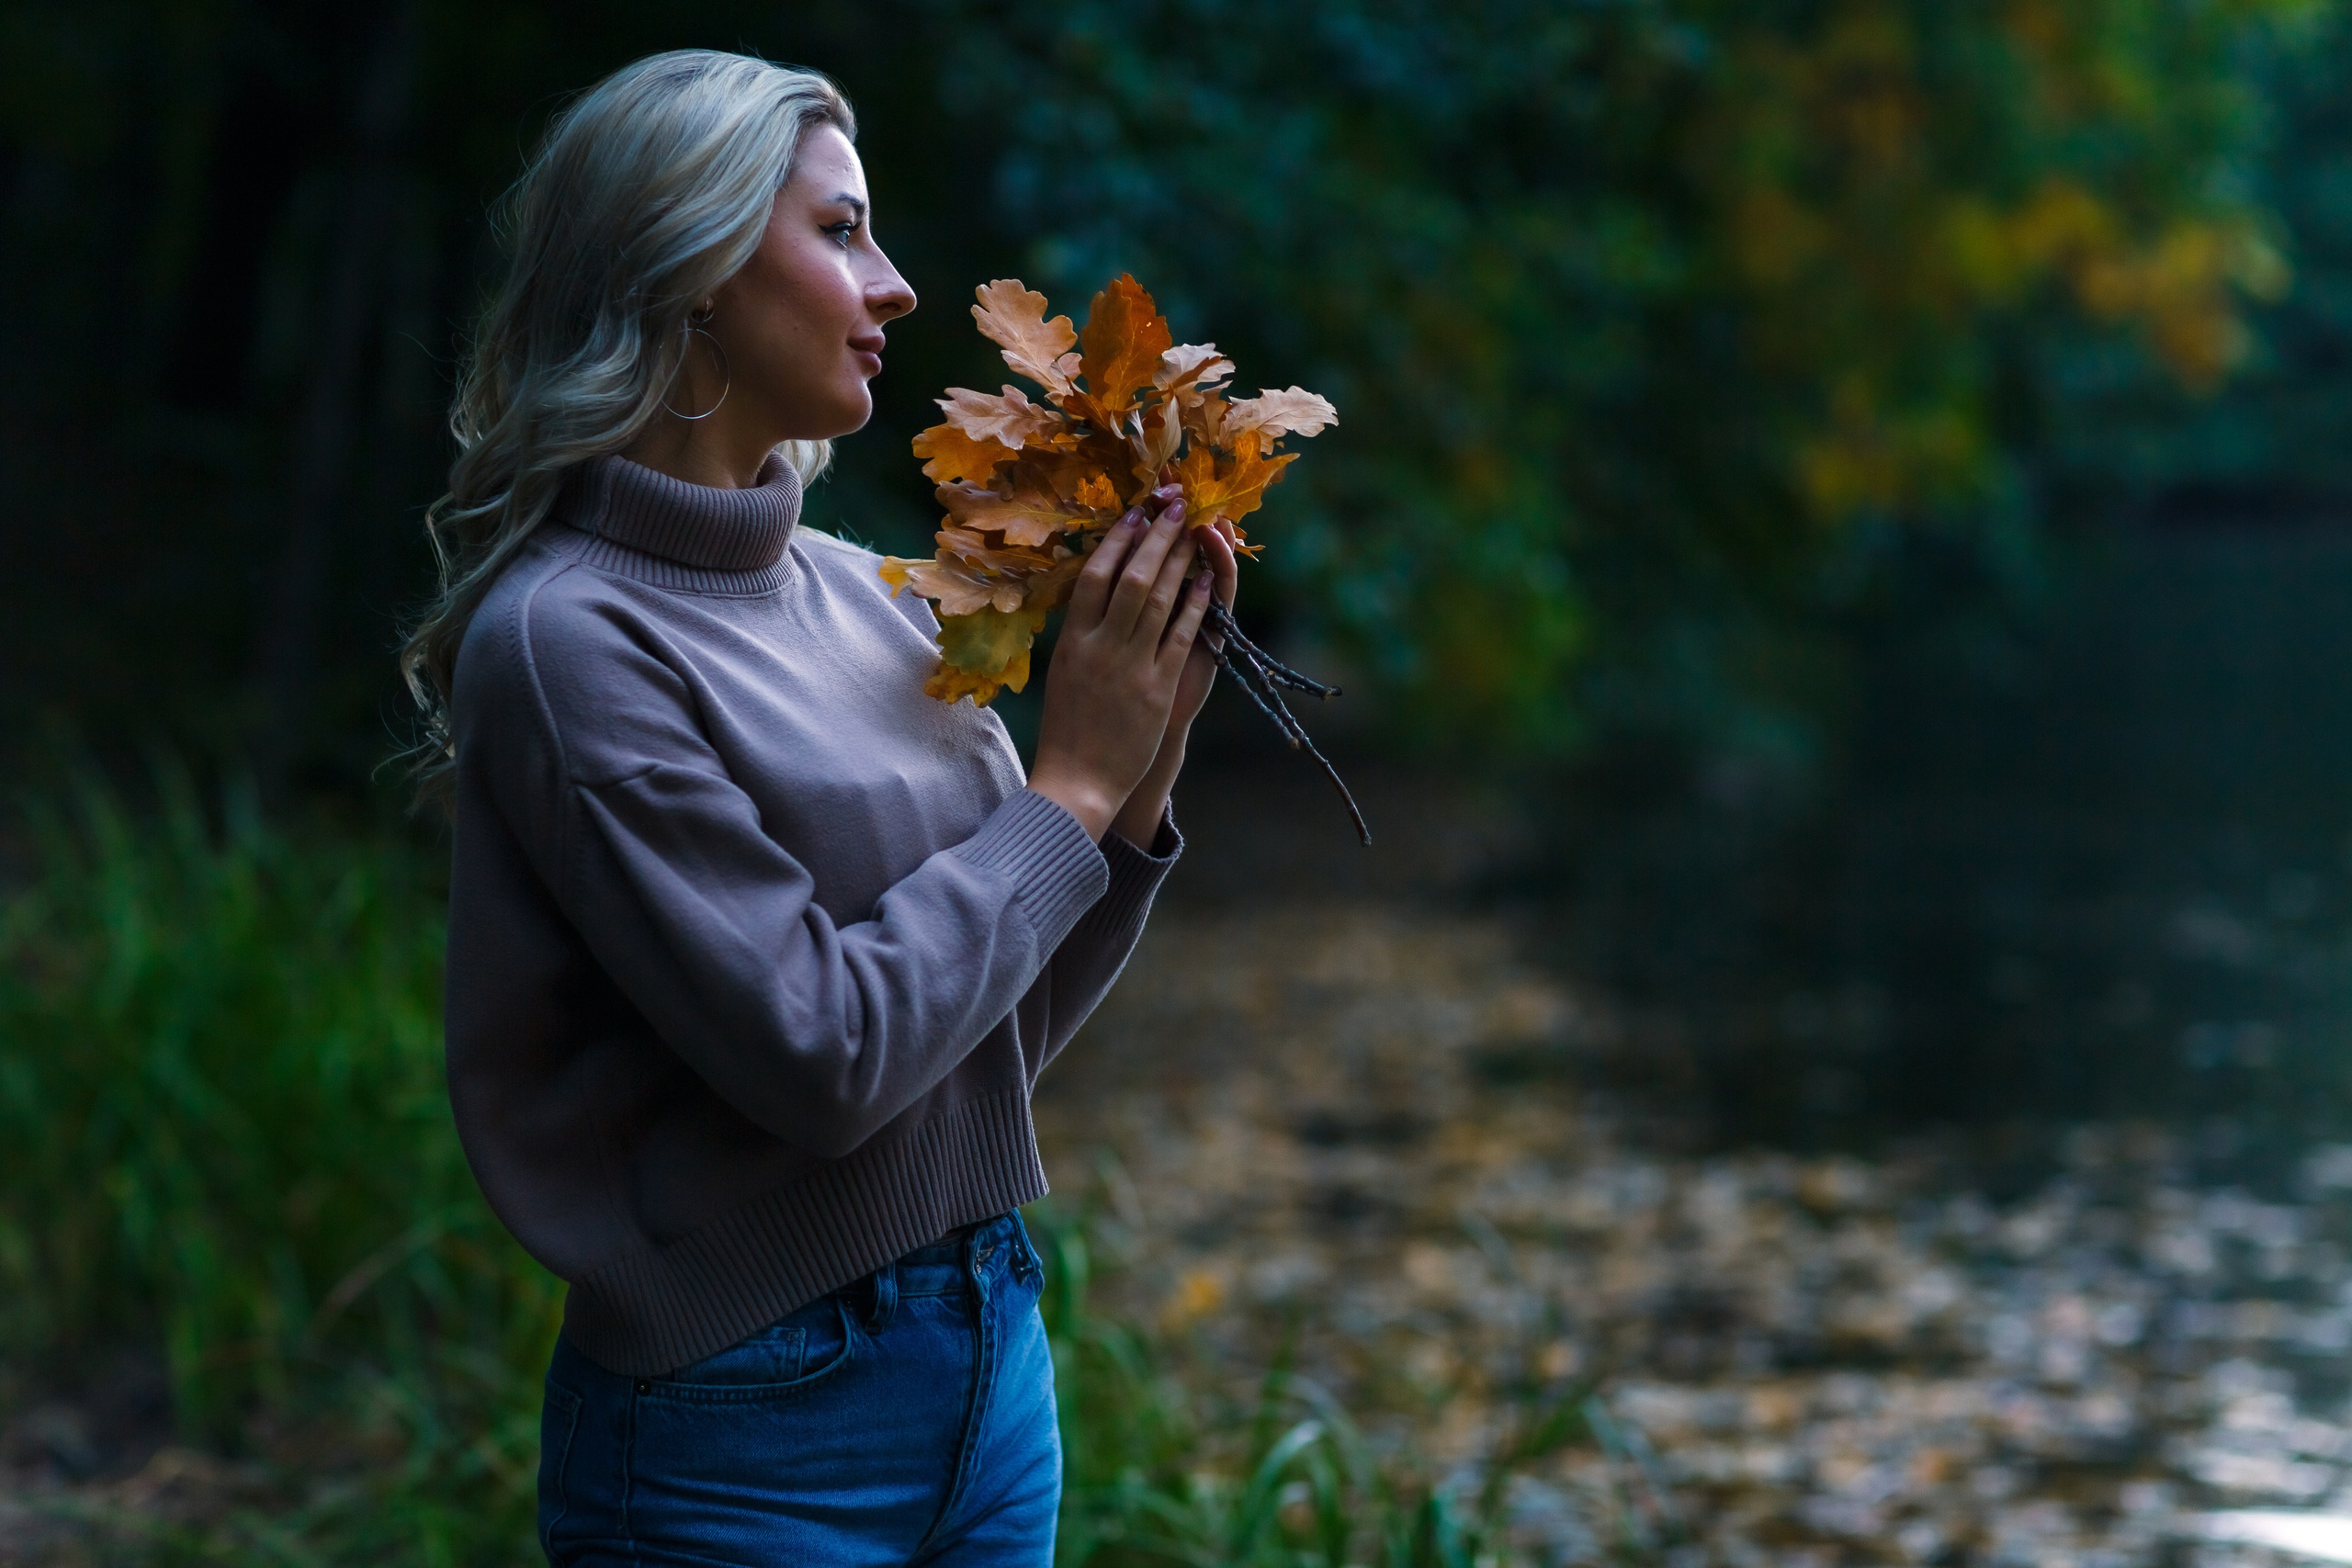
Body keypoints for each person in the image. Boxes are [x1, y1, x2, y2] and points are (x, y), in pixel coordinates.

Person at [396, 49, 1235, 1566]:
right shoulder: (570, 642)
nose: (899, 284)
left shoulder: (870, 594)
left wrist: (1149, 730)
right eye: (841, 231)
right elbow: (829, 1055)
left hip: (989, 1359)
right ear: (697, 264)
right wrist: (1078, 781)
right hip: (745, 1431)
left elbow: (985, 1039)